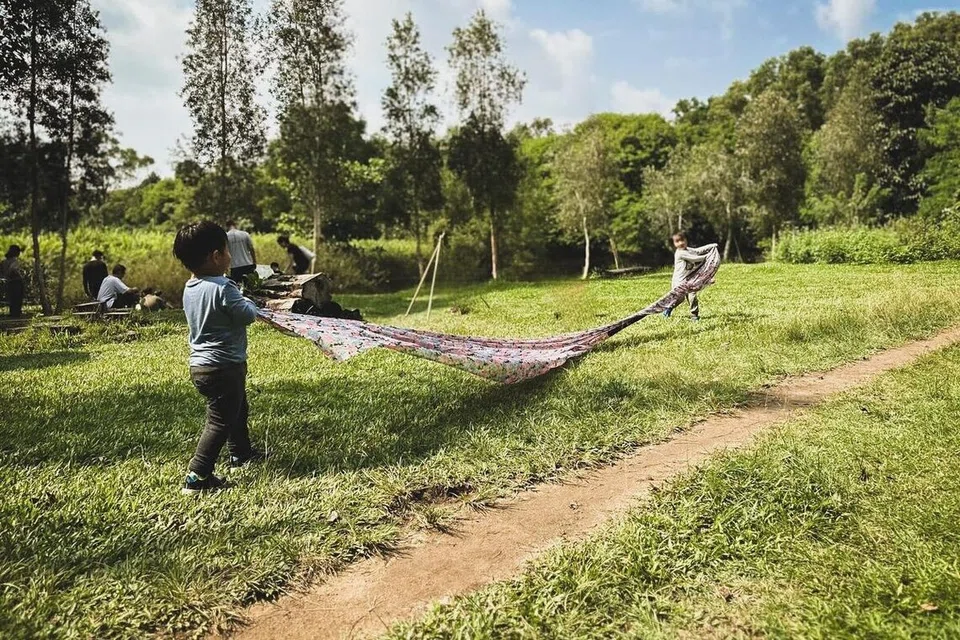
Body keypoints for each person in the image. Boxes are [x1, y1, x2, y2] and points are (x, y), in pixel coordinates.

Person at [174, 221, 266, 495]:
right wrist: (249, 301)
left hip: (201, 366)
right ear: (217, 256)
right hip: (225, 366)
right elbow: (248, 315)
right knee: (219, 421)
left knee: (237, 409)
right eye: (227, 251)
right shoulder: (224, 287)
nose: (230, 256)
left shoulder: (190, 287)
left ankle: (242, 453)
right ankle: (197, 476)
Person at [663, 232, 717, 322]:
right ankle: (668, 309)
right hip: (679, 282)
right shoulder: (679, 253)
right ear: (674, 244)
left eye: (682, 240)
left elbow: (698, 251)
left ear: (686, 240)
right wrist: (708, 256)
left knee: (692, 296)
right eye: (677, 241)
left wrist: (712, 246)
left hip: (689, 280)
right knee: (680, 299)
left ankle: (694, 316)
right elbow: (694, 258)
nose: (680, 243)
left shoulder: (688, 250)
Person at [0, 245, 25, 318]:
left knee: (12, 300)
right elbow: (13, 270)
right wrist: (20, 275)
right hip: (17, 282)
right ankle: (16, 315)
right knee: (17, 299)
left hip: (9, 282)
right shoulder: (15, 261)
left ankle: (13, 314)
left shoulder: (4, 261)